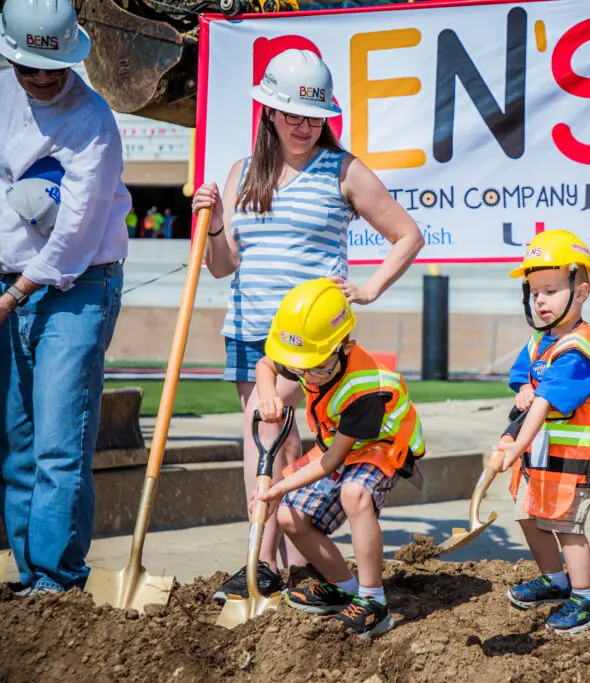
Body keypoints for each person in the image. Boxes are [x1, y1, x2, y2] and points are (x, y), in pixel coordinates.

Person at [191, 48, 423, 603]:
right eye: (292, 114)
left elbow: (407, 235)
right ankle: (304, 564)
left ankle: (263, 561)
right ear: (269, 112)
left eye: (314, 116)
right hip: (250, 329)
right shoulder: (242, 173)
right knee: (278, 438)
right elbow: (223, 266)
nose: (303, 126)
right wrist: (218, 224)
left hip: (309, 341)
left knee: (266, 432)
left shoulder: (343, 170)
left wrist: (368, 289)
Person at [0, 0, 129, 595]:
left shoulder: (93, 120)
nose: (44, 79)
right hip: (9, 281)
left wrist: (18, 292)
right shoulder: (2, 97)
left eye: (54, 69)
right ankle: (30, 578)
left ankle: (56, 582)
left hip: (77, 286)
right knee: (18, 443)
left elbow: (78, 229)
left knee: (58, 442)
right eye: (32, 69)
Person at [252, 278, 425, 638]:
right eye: (299, 368)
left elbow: (331, 462)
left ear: (346, 345)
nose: (305, 375)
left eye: (315, 367)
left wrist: (278, 487)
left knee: (354, 494)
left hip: (380, 447)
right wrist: (268, 394)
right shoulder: (308, 359)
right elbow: (267, 365)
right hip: (338, 444)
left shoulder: (366, 388)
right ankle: (343, 587)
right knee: (289, 516)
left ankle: (373, 600)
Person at [491, 230, 590, 635]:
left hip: (574, 462)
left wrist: (514, 447)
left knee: (567, 528)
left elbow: (546, 404)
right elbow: (523, 381)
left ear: (581, 292)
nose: (540, 300)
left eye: (550, 290)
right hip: (543, 459)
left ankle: (587, 598)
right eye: (533, 292)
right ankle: (555, 580)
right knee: (529, 518)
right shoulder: (538, 342)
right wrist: (524, 388)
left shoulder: (576, 353)